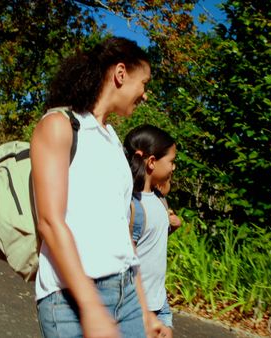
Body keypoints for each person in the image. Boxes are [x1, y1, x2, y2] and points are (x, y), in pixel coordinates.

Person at [30, 37, 163, 338]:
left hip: (125, 294)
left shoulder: (113, 137)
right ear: (120, 74)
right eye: (144, 83)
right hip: (71, 300)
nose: (145, 95)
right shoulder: (58, 125)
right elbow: (50, 222)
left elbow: (122, 231)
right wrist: (90, 306)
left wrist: (143, 308)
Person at [123, 125, 181, 338]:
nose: (173, 168)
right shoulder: (132, 206)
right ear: (152, 162)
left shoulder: (159, 199)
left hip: (159, 301)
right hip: (137, 306)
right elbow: (127, 258)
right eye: (171, 161)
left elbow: (150, 243)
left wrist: (171, 226)